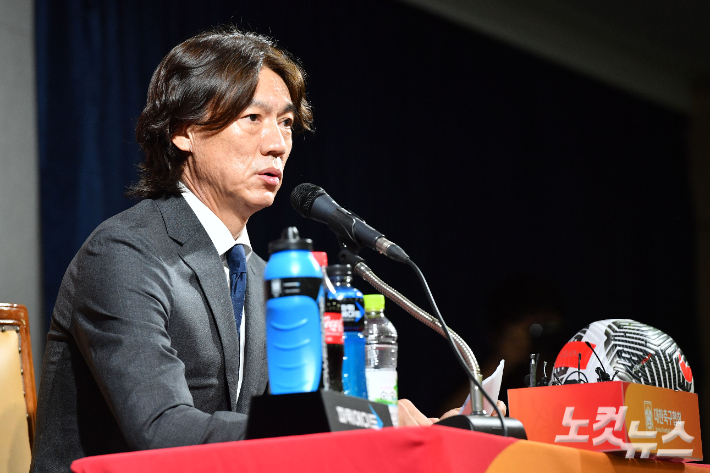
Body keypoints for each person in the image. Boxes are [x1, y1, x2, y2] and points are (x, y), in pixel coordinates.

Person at [31, 27, 463, 472]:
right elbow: (160, 430)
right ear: (184, 131)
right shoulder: (126, 253)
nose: (277, 144)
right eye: (252, 118)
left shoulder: (262, 274)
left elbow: (281, 426)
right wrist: (356, 425)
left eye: (287, 123)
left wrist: (409, 431)